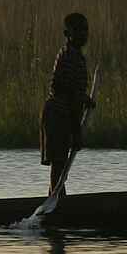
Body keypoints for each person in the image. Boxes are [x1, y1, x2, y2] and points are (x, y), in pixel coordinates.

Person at [41, 12, 96, 198]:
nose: (83, 34)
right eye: (78, 30)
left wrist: (84, 99)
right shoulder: (69, 56)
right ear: (67, 33)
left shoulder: (77, 56)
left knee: (62, 165)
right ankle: (56, 204)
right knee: (59, 165)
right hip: (58, 114)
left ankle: (56, 201)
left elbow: (74, 92)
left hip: (65, 113)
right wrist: (77, 131)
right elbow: (65, 92)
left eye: (85, 30)